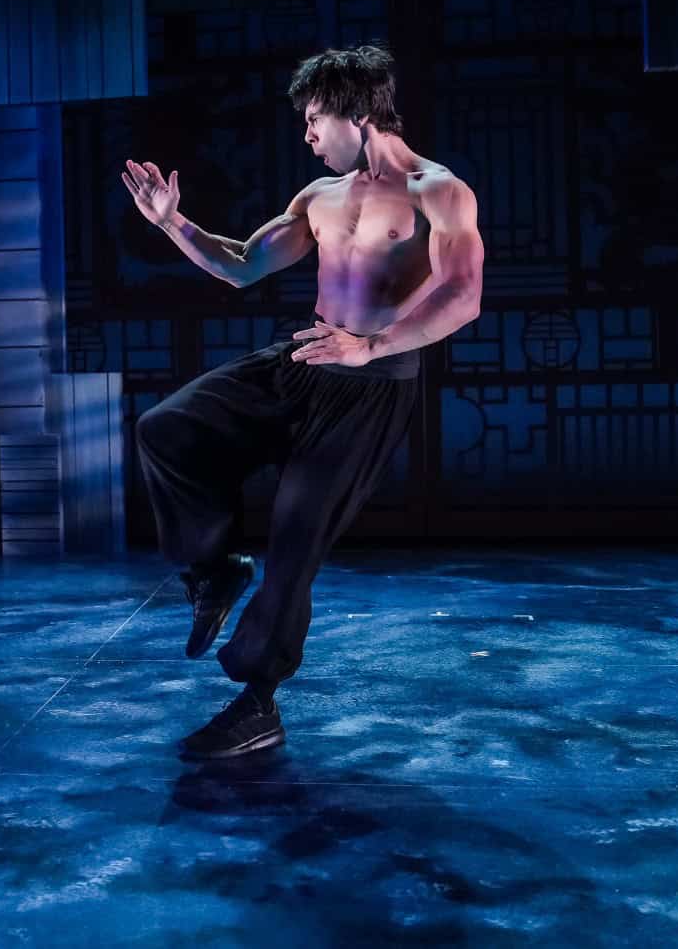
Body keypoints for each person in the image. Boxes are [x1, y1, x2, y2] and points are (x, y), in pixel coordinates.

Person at [120, 45, 485, 760]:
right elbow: (242, 264)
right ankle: (213, 568)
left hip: (371, 388)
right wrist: (172, 223)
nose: (309, 135)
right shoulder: (318, 198)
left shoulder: (437, 192)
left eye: (316, 118)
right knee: (166, 429)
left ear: (357, 111)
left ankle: (257, 702)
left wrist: (372, 347)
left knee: (294, 543)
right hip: (305, 361)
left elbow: (462, 295)